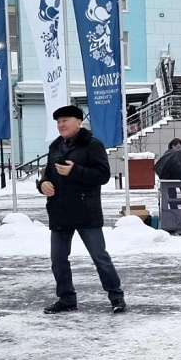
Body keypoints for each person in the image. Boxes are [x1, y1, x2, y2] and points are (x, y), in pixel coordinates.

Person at [37, 105, 127, 314]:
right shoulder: (55, 146)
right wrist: (43, 185)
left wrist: (74, 170)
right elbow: (47, 174)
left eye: (65, 120)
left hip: (87, 211)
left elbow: (103, 175)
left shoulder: (93, 145)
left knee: (99, 257)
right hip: (60, 211)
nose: (61, 125)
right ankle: (67, 299)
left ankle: (116, 297)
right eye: (58, 122)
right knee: (58, 260)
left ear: (78, 122)